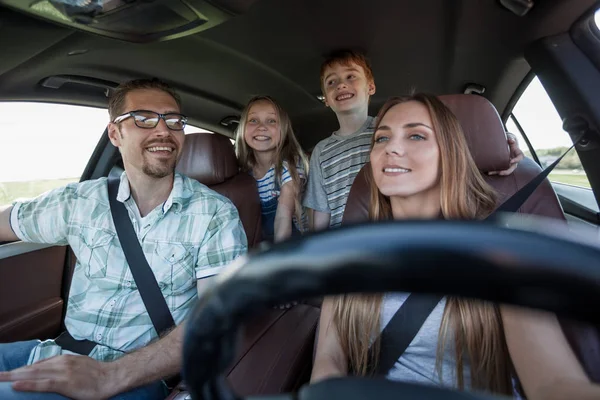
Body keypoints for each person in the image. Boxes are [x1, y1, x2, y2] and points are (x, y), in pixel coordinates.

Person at [311, 94, 600, 400]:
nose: (391, 148)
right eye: (382, 138)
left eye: (416, 135)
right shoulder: (346, 255)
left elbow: (551, 384)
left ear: (449, 153)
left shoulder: (501, 255)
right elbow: (328, 364)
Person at [0, 78, 248, 400]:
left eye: (174, 121)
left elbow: (216, 321)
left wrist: (109, 376)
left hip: (135, 377)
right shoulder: (80, 201)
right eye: (144, 118)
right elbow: (9, 220)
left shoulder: (215, 215)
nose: (163, 131)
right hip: (57, 353)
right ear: (115, 134)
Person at [303, 49, 524, 231]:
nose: (341, 85)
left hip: (384, 225)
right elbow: (320, 209)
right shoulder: (322, 151)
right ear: (325, 99)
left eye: (351, 76)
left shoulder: (387, 127)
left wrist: (500, 143)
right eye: (331, 82)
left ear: (370, 87)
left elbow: (448, 146)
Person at [235, 95, 309, 243]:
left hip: (291, 243)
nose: (261, 127)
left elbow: (283, 217)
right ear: (243, 128)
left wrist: (278, 259)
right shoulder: (242, 171)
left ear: (284, 129)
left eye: (271, 121)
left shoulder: (289, 165)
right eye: (253, 120)